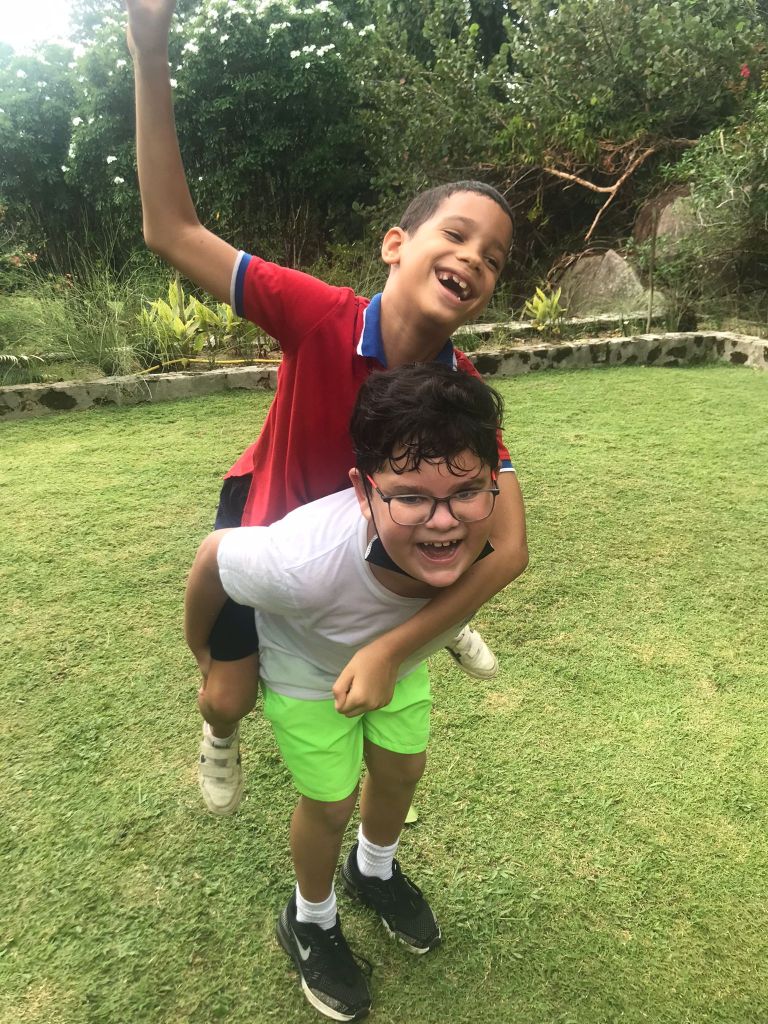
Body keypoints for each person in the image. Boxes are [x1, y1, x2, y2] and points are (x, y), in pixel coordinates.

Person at [126, 0, 528, 817]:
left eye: (493, 259)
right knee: (229, 695)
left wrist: (406, 639)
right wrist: (150, 46)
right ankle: (219, 728)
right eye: (456, 235)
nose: (473, 259)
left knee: (450, 533)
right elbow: (171, 230)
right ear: (395, 245)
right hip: (272, 523)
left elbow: (511, 546)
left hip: (375, 547)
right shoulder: (319, 316)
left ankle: (439, 615)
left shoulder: (460, 384)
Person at [185, 363, 507, 1020]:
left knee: (402, 770)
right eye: (410, 497)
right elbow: (214, 556)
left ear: (492, 484)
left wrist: (407, 645)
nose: (444, 522)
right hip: (307, 675)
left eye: (467, 491)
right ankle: (310, 916)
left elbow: (481, 549)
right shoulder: (297, 563)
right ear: (363, 491)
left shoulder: (487, 530)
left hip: (400, 663)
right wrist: (203, 654)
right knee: (330, 803)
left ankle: (374, 868)